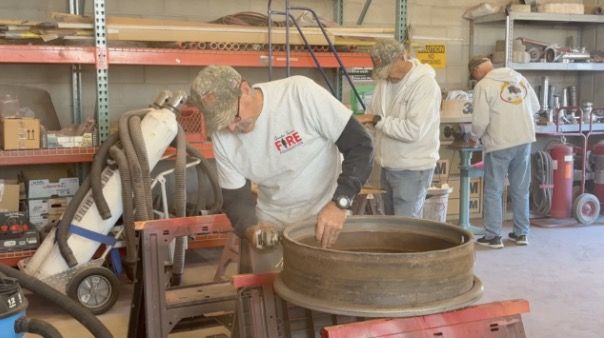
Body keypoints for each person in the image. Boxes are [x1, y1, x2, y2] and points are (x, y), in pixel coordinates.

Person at [190, 65, 374, 272]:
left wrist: (340, 204)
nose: (231, 128)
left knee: (326, 289)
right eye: (222, 123)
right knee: (271, 294)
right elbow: (235, 197)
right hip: (273, 225)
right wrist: (252, 229)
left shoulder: (299, 95)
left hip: (325, 219)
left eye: (234, 116)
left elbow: (360, 146)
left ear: (245, 89)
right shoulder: (222, 137)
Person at [356, 39, 441, 218]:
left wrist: (376, 120)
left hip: (412, 168)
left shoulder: (425, 85)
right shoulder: (384, 82)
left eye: (388, 70)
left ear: (402, 57)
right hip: (387, 166)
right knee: (391, 227)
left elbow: (413, 130)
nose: (386, 76)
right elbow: (371, 117)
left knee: (406, 229)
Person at [468, 56, 540, 248]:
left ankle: (493, 236)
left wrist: (474, 137)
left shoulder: (483, 86)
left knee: (494, 190)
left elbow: (480, 121)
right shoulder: (519, 77)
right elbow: (536, 107)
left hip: (500, 143)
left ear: (476, 71)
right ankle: (521, 233)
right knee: (520, 189)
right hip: (524, 140)